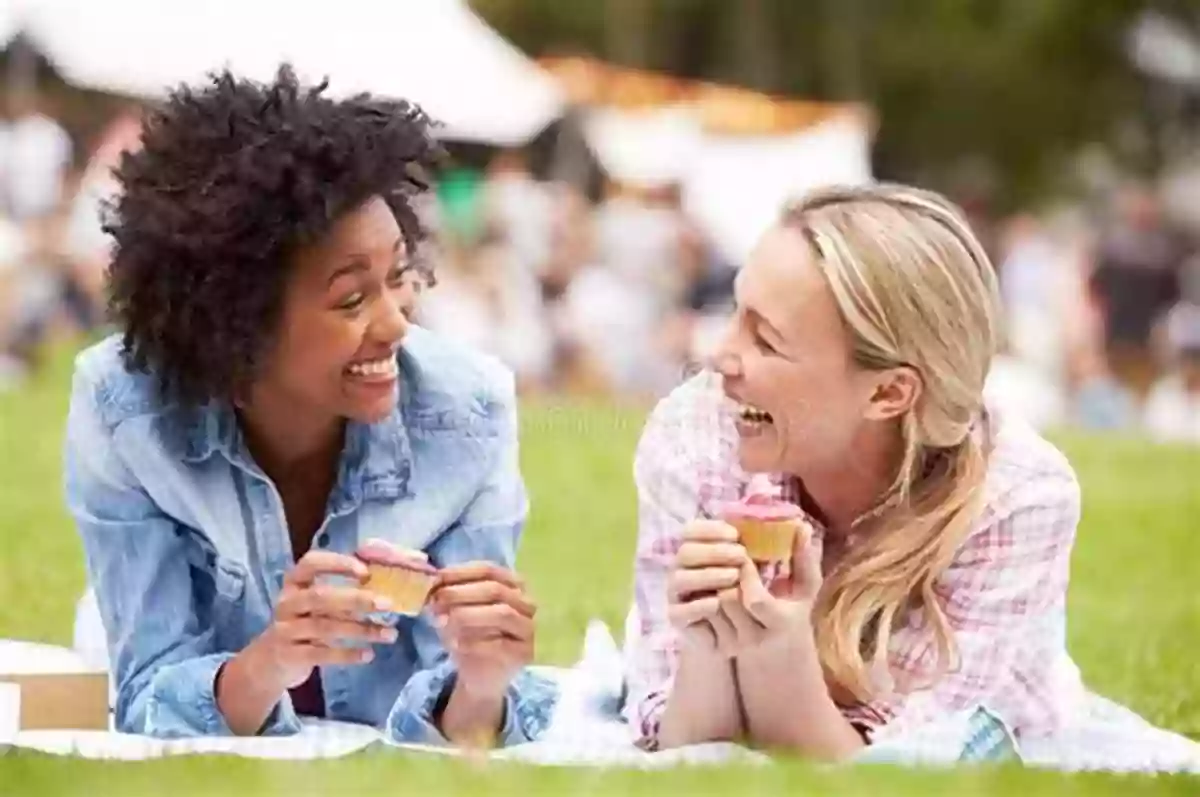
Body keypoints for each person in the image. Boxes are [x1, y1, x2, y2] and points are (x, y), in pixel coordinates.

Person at [63, 67, 556, 744]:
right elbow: (150, 696)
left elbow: (466, 724)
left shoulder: (468, 412)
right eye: (353, 298)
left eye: (398, 277)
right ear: (240, 323)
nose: (395, 325)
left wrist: (484, 679)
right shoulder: (124, 412)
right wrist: (273, 660)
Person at [624, 184, 1086, 758]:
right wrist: (706, 646)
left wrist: (780, 651)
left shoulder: (1016, 498)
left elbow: (900, 768)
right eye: (735, 312)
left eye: (765, 340)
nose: (720, 355)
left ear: (889, 392)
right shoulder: (697, 432)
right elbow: (684, 751)